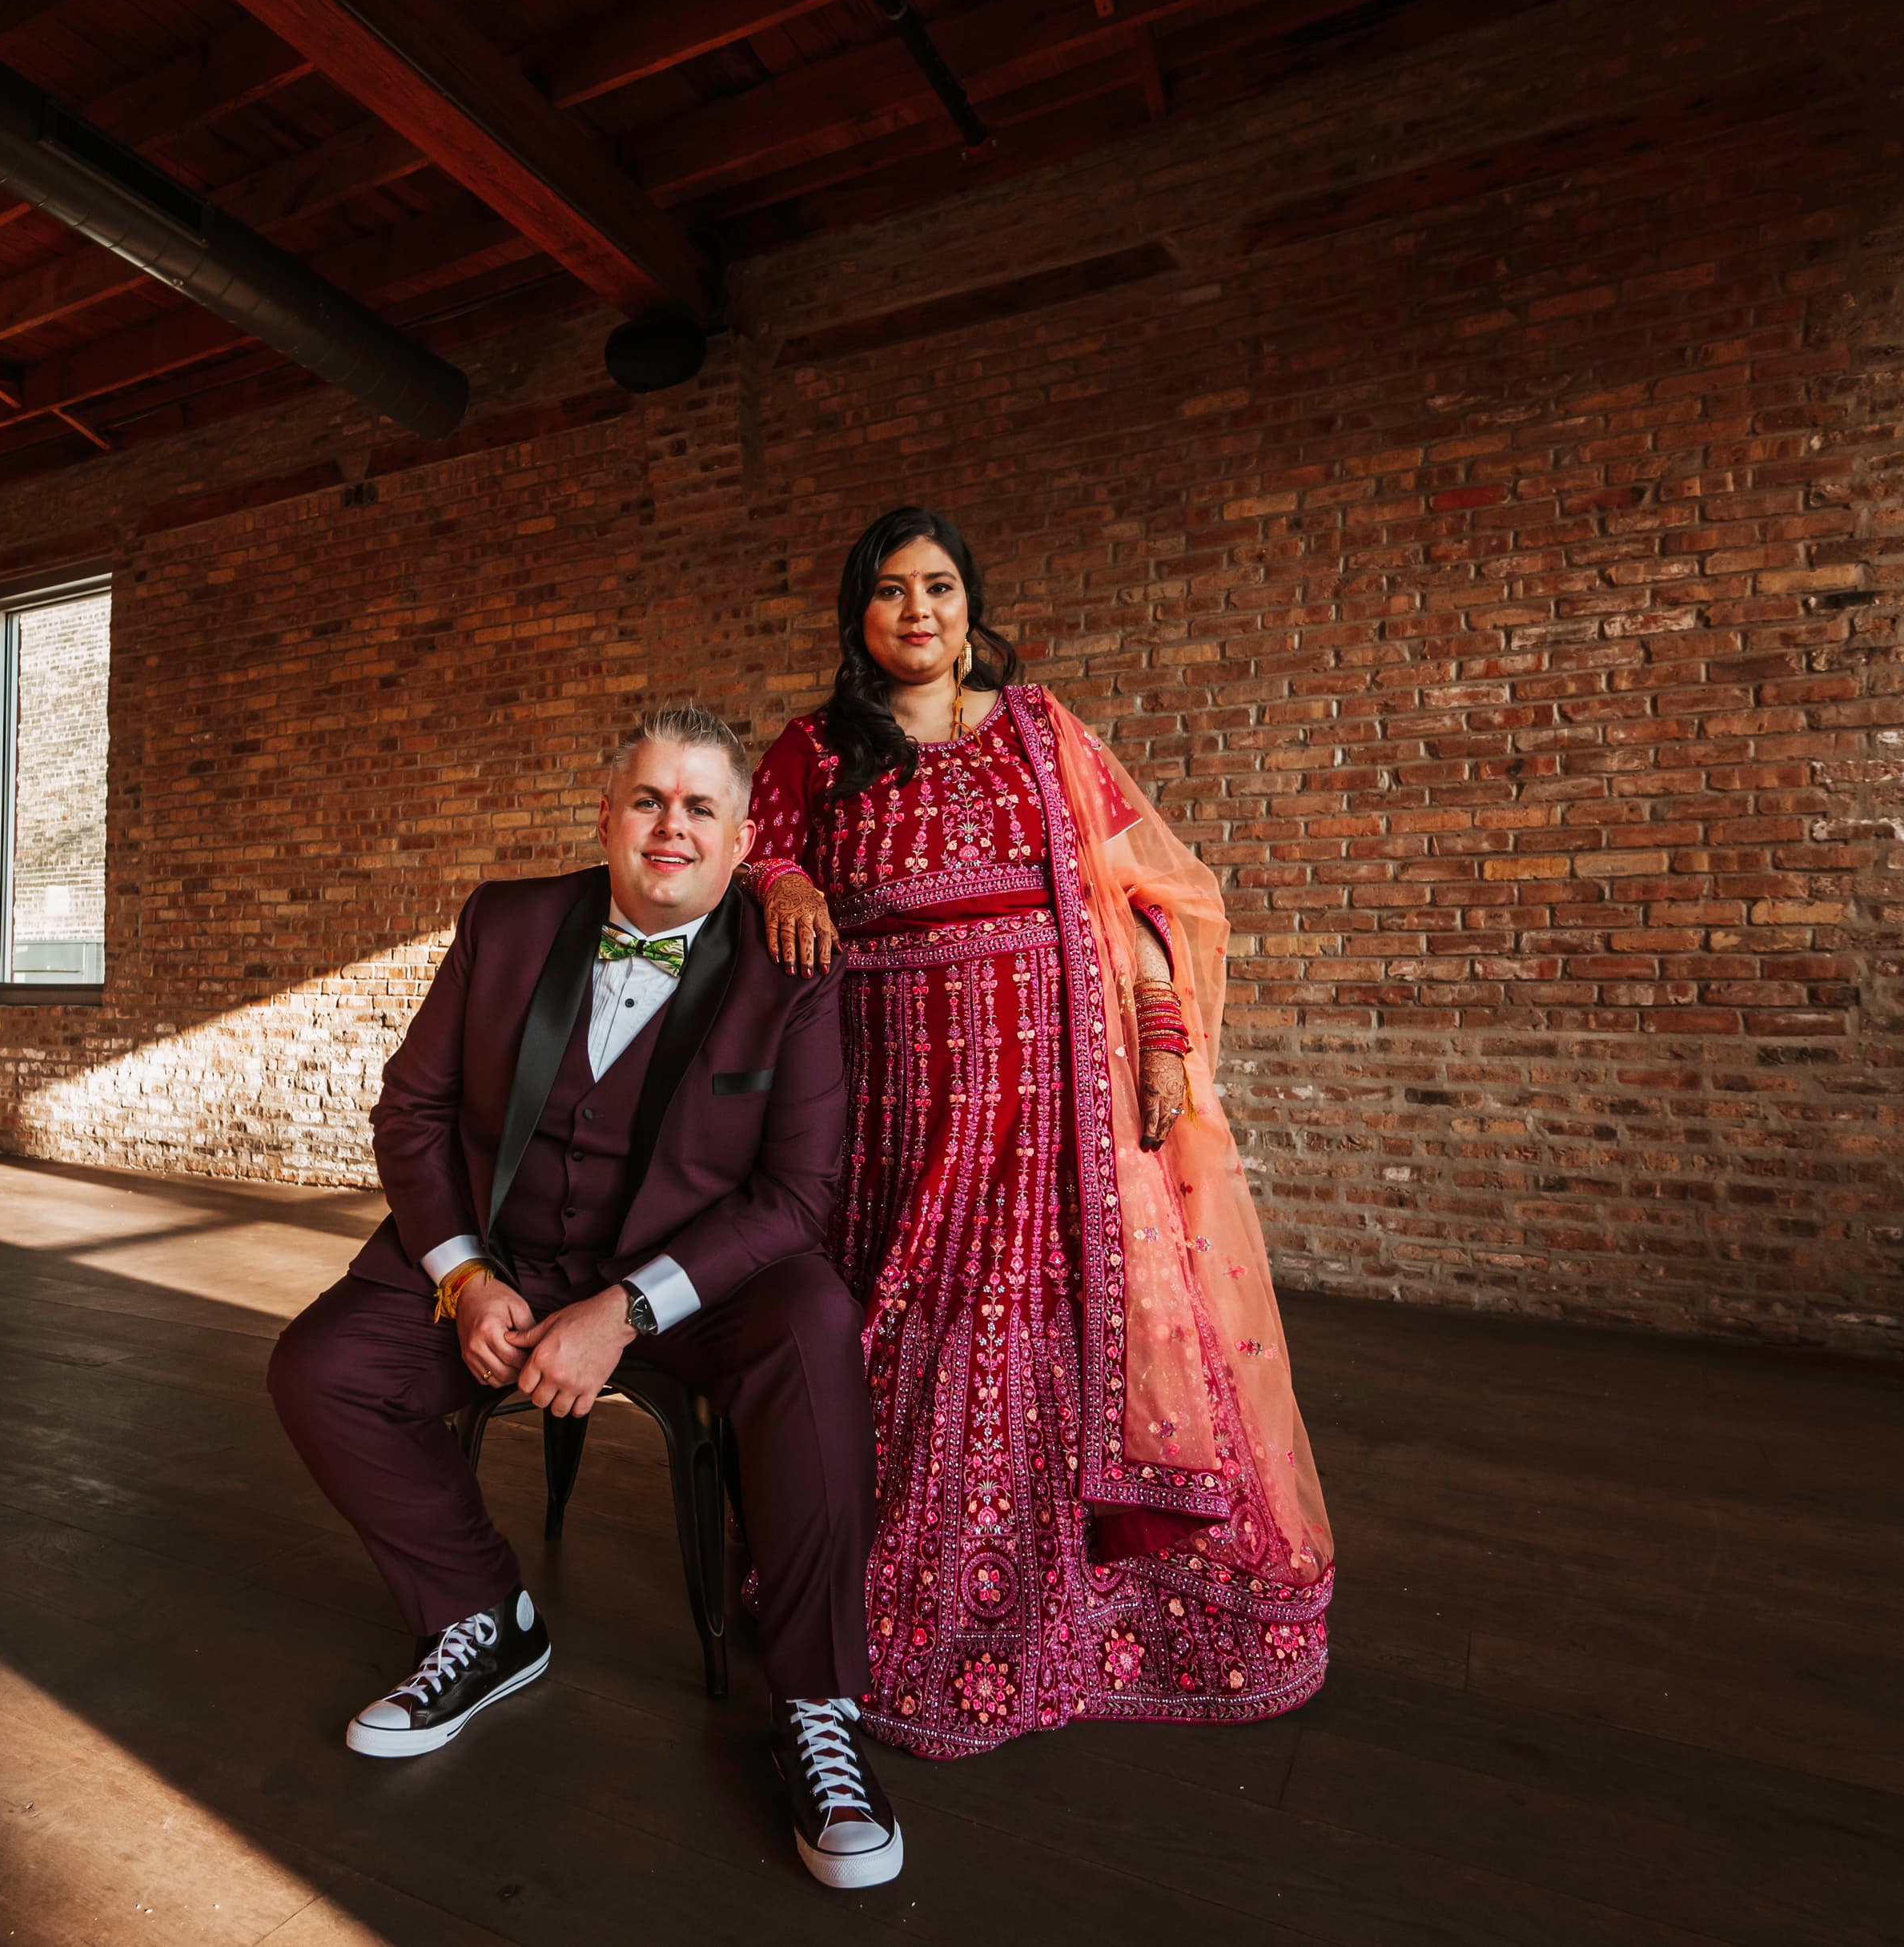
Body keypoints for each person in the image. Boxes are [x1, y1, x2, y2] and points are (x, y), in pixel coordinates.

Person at [267, 707, 905, 1889]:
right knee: (320, 1370)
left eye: (700, 807)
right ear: (606, 816)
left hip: (698, 1277)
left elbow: (798, 1193)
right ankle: (484, 1618)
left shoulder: (790, 968)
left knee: (815, 1330)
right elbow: (411, 1111)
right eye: (649, 801)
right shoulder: (507, 921)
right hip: (507, 1253)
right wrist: (461, 1276)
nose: (672, 827)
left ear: (743, 835)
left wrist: (625, 1311)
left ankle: (820, 1705)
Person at [737, 507, 1336, 1760]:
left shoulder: (1041, 731)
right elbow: (752, 852)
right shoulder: (816, 746)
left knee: (1053, 1322)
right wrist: (786, 881)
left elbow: (1152, 892)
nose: (918, 611)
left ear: (970, 608)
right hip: (893, 1095)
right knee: (906, 1316)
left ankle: (1086, 1604)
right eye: (891, 590)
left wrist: (1166, 1039)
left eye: (940, 588)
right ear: (859, 614)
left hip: (1059, 1089)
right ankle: (899, 1595)